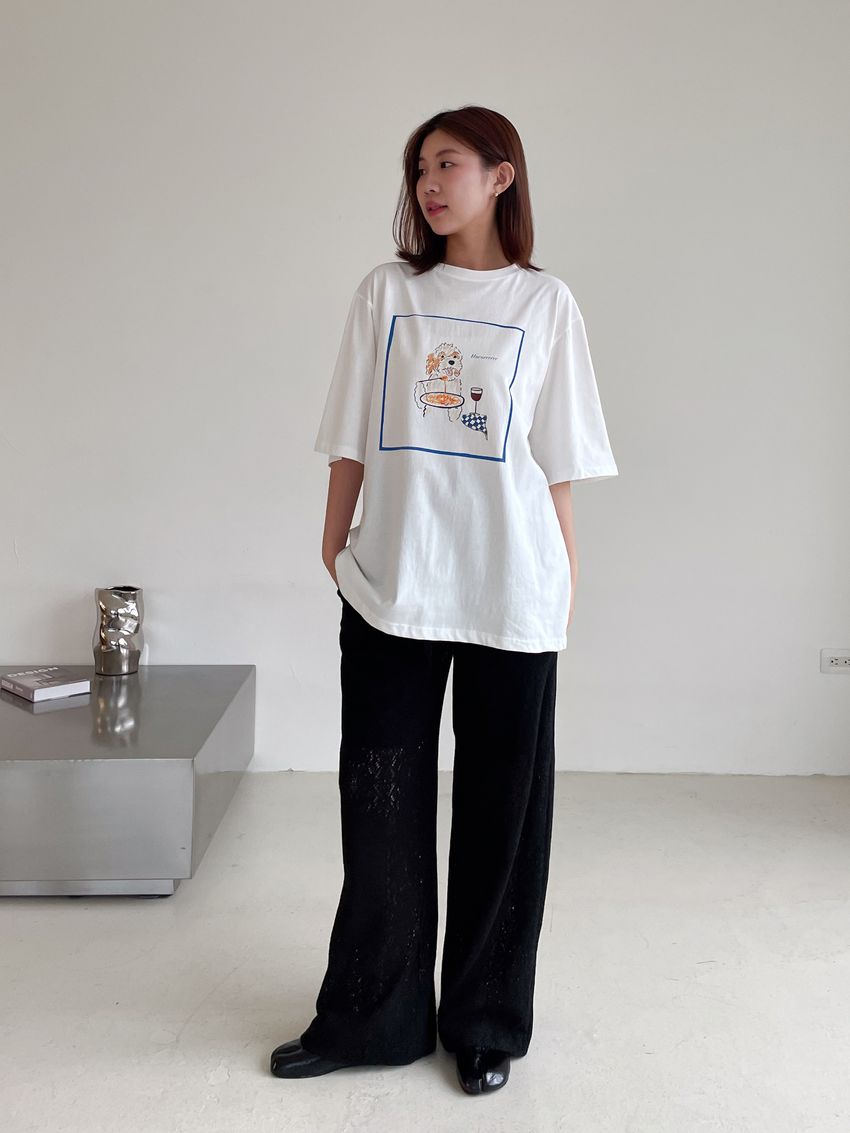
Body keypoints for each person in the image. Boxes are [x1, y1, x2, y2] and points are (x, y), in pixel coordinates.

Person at [270, 104, 618, 1095]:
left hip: (512, 582)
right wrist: (334, 541)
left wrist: (566, 573)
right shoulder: (388, 293)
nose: (428, 182)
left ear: (501, 176)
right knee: (380, 801)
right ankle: (372, 1016)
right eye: (420, 166)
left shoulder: (545, 303)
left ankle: (485, 1022)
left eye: (449, 163)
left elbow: (557, 460)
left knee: (505, 810)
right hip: (394, 582)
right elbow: (350, 431)